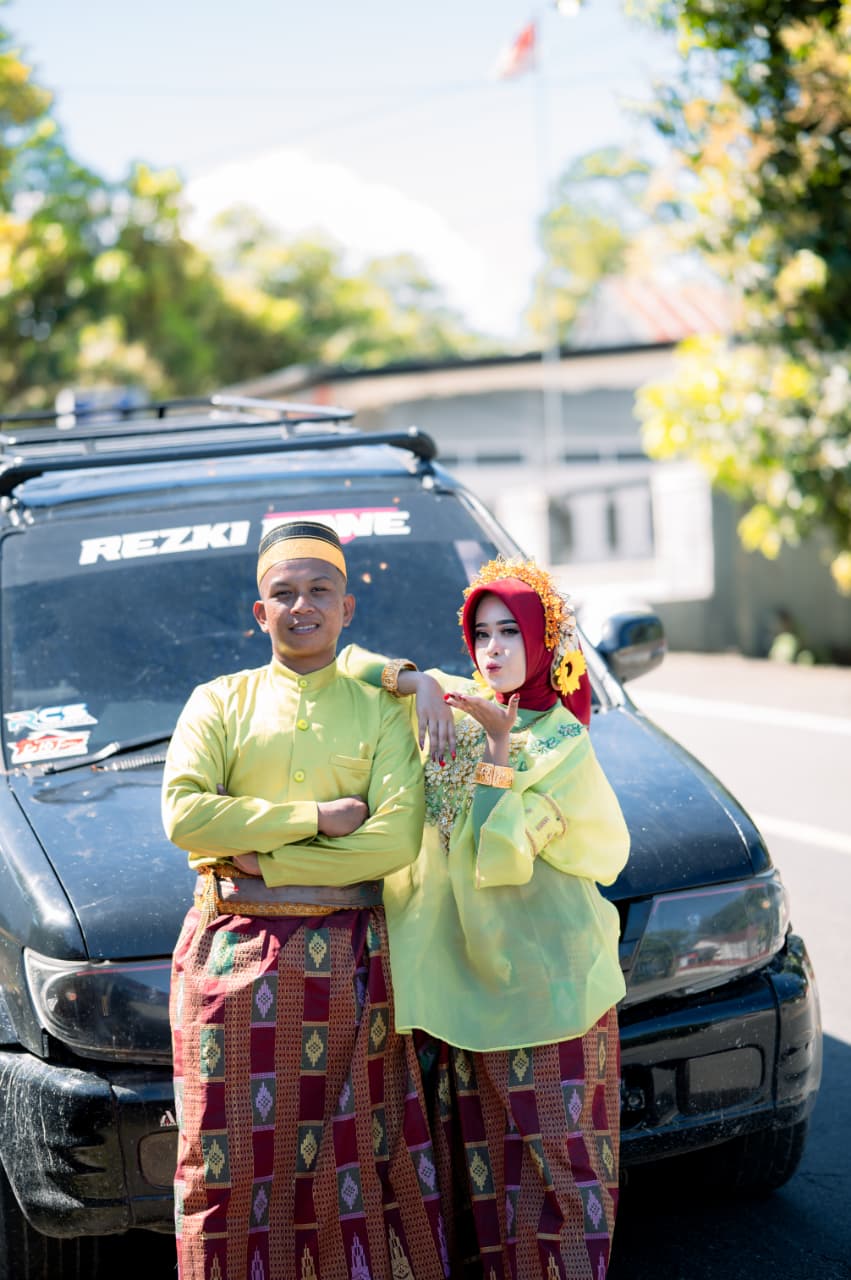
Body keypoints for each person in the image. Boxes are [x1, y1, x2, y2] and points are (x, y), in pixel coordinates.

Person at [162, 520, 449, 1280]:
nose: (302, 607)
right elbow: (184, 815)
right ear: (260, 613)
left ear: (346, 608)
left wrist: (267, 858)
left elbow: (394, 841)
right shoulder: (219, 701)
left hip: (350, 963)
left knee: (357, 1156)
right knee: (223, 1163)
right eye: (283, 594)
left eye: (319, 590)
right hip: (231, 956)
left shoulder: (382, 708)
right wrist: (314, 818)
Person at [340, 556, 630, 1280]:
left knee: (561, 1173)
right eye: (481, 633)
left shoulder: (560, 744)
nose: (493, 649)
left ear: (544, 641)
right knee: (482, 1173)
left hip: (546, 986)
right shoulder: (455, 698)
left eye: (510, 632)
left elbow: (500, 858)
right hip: (459, 983)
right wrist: (419, 683)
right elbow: (348, 664)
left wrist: (498, 747)